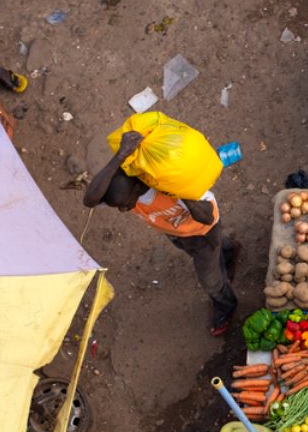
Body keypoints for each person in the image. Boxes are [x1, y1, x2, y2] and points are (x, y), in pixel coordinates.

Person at [84, 131, 239, 336]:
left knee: (210, 279)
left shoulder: (170, 185)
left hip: (203, 233)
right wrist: (119, 156)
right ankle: (229, 252)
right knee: (197, 248)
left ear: (138, 186)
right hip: (176, 232)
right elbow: (89, 200)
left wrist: (179, 192)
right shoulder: (123, 189)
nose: (123, 210)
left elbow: (208, 217)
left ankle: (226, 305)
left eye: (124, 205)